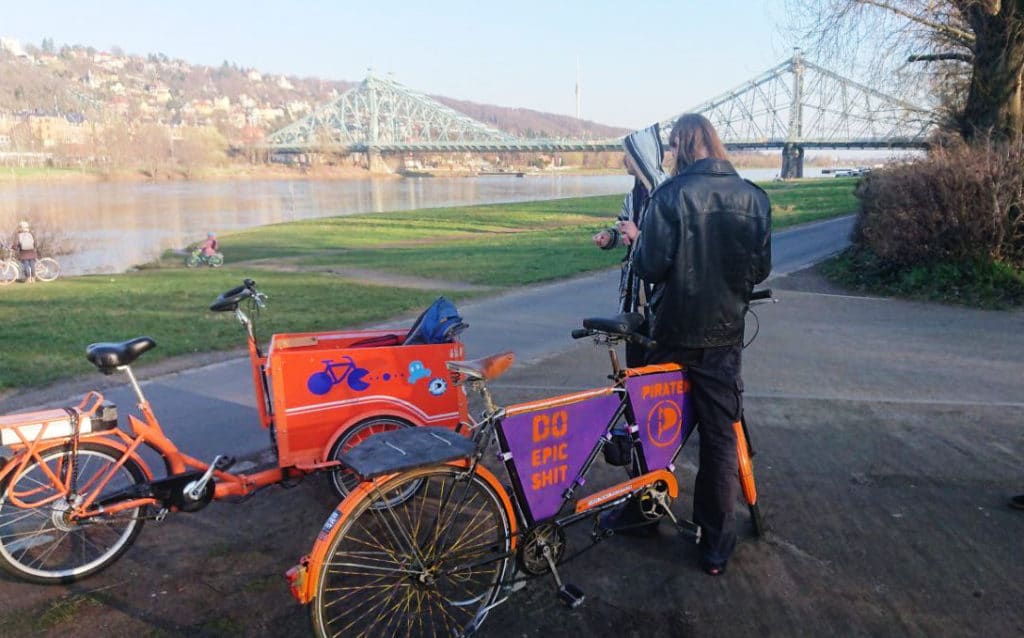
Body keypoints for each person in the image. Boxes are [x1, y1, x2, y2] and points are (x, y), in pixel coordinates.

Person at [622, 113, 772, 575]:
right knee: (719, 437)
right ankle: (715, 544)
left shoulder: (670, 196)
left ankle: (645, 516)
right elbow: (760, 269)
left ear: (682, 146)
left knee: (655, 431)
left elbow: (648, 266)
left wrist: (640, 238)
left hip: (673, 332)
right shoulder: (753, 197)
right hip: (724, 334)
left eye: (671, 147)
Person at [592, 123, 669, 367]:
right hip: (635, 296)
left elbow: (670, 241)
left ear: (640, 157)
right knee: (635, 363)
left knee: (657, 362)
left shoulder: (666, 192)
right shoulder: (634, 195)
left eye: (629, 155)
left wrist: (639, 235)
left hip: (660, 296)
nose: (624, 160)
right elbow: (623, 229)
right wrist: (609, 237)